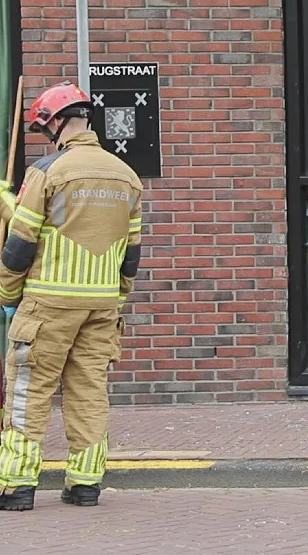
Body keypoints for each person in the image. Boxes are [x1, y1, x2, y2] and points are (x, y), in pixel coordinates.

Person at [0, 82, 144, 512]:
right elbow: (130, 256)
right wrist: (116, 300)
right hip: (101, 306)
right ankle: (85, 483)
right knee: (89, 392)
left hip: (47, 305)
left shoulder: (47, 170)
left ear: (58, 122)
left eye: (47, 126)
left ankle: (17, 486)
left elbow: (20, 246)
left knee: (29, 391)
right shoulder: (127, 176)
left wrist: (8, 294)